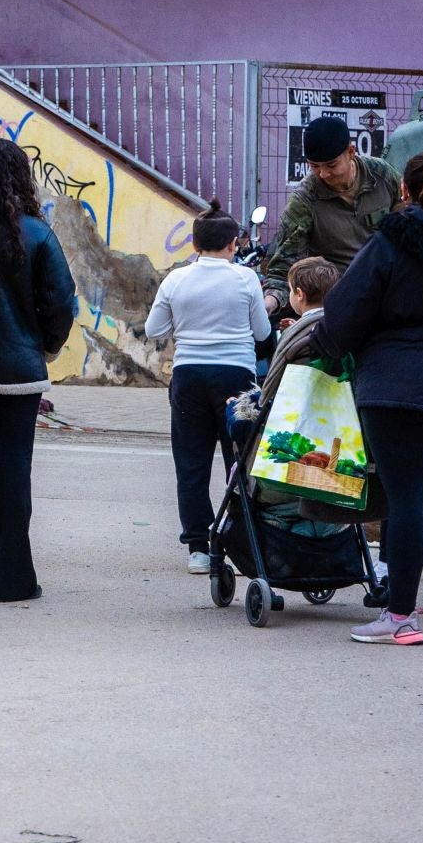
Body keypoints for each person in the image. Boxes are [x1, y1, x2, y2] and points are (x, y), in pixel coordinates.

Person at [317, 152, 423, 645]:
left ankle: (400, 617)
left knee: (407, 500)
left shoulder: (391, 241)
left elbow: (348, 307)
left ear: (406, 192)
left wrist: (330, 350)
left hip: (397, 386)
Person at [0, 139, 78, 602]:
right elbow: (62, 301)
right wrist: (45, 345)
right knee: (13, 474)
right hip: (18, 372)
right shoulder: (37, 232)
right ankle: (15, 580)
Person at [145, 200, 269, 575]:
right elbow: (262, 333)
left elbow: (153, 330)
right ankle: (241, 539)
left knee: (192, 463)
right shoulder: (246, 279)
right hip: (237, 379)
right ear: (234, 244)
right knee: (240, 462)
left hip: (188, 378)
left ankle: (198, 547)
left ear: (195, 245)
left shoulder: (176, 280)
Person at [262, 115, 399, 312]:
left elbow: (407, 222)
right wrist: (272, 300)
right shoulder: (304, 199)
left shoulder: (381, 174)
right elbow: (284, 263)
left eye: (331, 165)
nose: (323, 174)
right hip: (338, 299)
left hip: (388, 288)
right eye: (314, 166)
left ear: (351, 152)